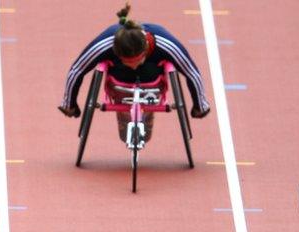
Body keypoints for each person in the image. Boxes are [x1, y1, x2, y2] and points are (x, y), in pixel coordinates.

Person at [59, 3, 211, 142]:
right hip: (118, 84)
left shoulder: (165, 42)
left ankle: (146, 117)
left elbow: (192, 72)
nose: (132, 66)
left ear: (145, 50)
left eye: (136, 61)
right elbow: (77, 70)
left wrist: (200, 106)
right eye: (127, 62)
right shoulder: (106, 42)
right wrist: (69, 104)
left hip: (152, 84)